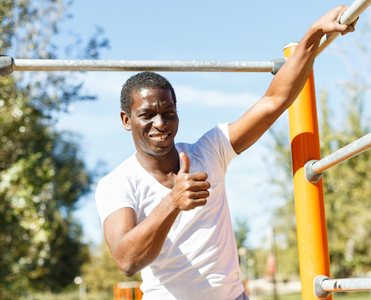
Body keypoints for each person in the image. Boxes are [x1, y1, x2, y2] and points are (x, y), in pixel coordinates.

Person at [95, 6, 357, 300]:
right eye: (147, 115)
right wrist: (173, 202)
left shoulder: (210, 150)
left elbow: (274, 101)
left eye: (169, 112)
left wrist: (315, 33)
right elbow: (127, 261)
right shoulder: (116, 183)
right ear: (126, 120)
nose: (160, 123)